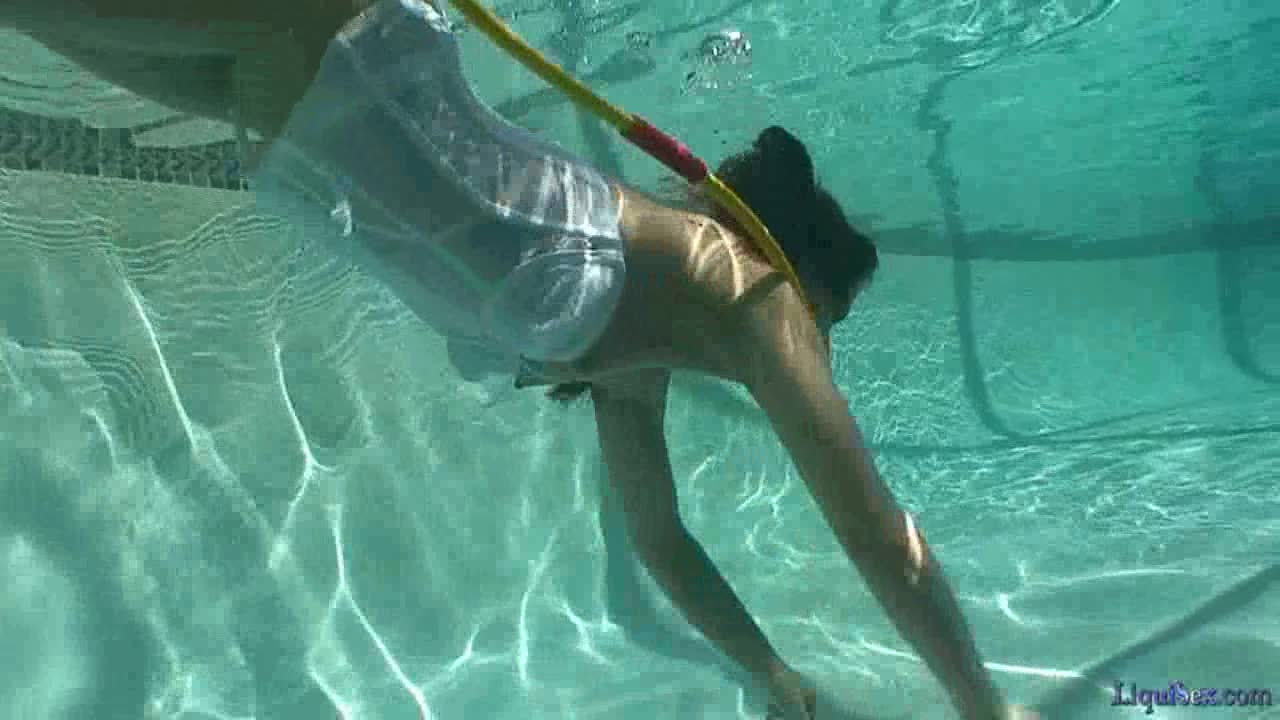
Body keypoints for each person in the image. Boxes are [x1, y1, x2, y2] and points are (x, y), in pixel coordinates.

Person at [5, 1, 1037, 717]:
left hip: (282, 111)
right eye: (829, 323)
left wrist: (771, 673)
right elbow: (879, 540)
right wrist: (984, 707)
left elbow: (662, 542)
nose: (821, 352)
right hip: (338, 42)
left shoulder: (634, 359)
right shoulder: (751, 294)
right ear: (796, 273)